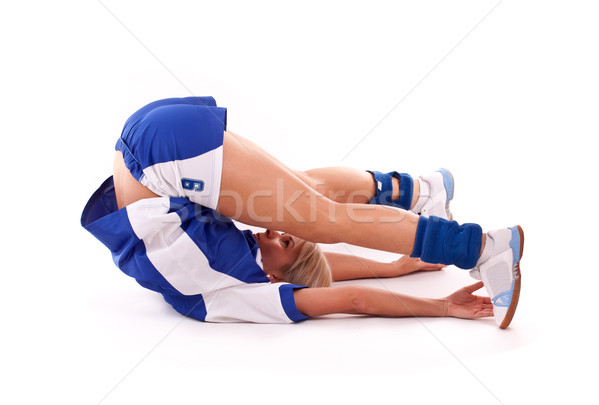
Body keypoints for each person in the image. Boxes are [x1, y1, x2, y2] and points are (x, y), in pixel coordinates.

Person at [81, 97, 523, 328]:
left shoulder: (231, 293)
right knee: (308, 199)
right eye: (284, 239)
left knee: (313, 209)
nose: (272, 230)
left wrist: (438, 305)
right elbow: (333, 283)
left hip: (158, 156)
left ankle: (457, 225)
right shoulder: (246, 279)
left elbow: (329, 282)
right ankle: (456, 224)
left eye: (283, 241)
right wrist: (396, 274)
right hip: (152, 149)